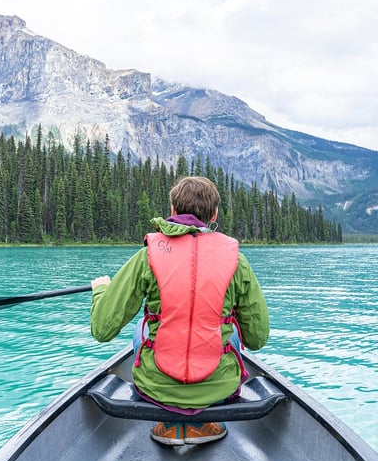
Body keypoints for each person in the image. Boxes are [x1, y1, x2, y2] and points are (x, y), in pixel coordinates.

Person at [90, 176, 269, 446]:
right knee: (230, 334)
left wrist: (102, 290)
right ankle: (202, 424)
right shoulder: (237, 262)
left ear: (173, 209)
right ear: (214, 214)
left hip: (155, 388)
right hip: (219, 389)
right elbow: (257, 339)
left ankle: (170, 423)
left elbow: (102, 329)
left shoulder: (146, 257)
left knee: (143, 329)